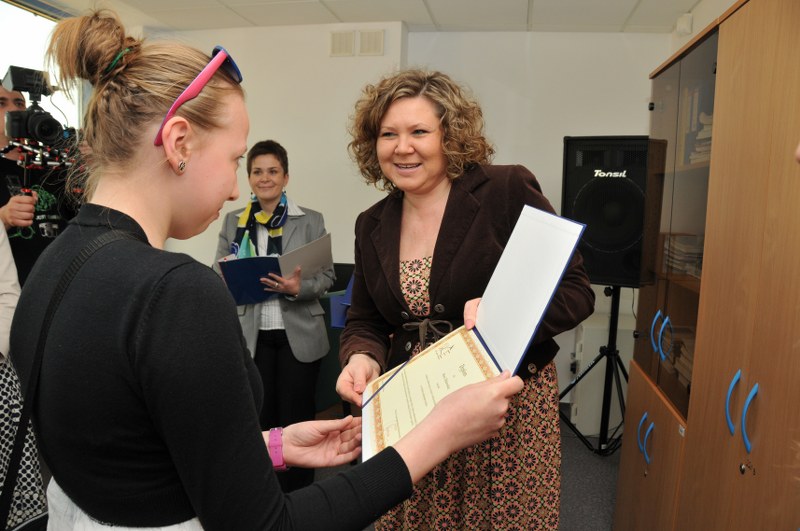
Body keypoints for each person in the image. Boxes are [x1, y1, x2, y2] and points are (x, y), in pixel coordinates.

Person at [9, 10, 524, 530]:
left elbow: (131, 452)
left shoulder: (55, 263)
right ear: (179, 142)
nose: (238, 187)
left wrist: (269, 445)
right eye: (235, 160)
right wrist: (437, 434)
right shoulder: (176, 292)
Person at [336, 69, 596, 530]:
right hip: (416, 418)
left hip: (503, 419)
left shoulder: (505, 191)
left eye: (419, 132)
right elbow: (366, 319)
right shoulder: (370, 223)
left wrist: (503, 316)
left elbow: (575, 291)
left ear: (450, 136)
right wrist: (361, 356)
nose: (402, 147)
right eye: (388, 134)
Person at [214, 139, 334, 492]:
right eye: (257, 171)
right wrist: (233, 275)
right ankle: (265, 494)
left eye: (273, 171)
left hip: (300, 334)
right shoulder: (233, 222)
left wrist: (297, 287)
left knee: (297, 417)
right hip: (252, 336)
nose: (265, 178)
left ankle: (301, 494)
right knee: (260, 418)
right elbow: (218, 272)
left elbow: (326, 277)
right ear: (249, 178)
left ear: (285, 177)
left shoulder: (310, 220)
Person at [0, 84, 77, 285]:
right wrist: (4, 218)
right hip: (14, 291)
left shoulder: (54, 164)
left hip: (63, 284)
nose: (13, 109)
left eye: (19, 103)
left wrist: (91, 166)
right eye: (1, 103)